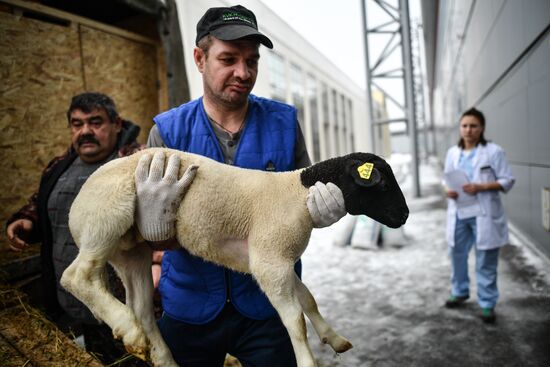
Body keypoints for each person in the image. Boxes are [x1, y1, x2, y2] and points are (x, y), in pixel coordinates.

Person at [134, 5, 347, 366]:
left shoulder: (284, 122)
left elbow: (305, 195)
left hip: (267, 304)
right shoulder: (168, 132)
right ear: (200, 59)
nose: (243, 72)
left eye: (252, 60)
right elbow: (146, 232)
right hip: (190, 303)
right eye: (228, 59)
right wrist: (151, 227)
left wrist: (320, 210)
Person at [5, 92, 147, 365]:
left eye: (95, 122)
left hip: (121, 303)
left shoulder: (134, 163)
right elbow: (40, 203)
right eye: (77, 124)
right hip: (70, 303)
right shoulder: (59, 166)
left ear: (117, 124)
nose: (85, 132)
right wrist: (27, 221)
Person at [443, 107, 515, 324]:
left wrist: (482, 187)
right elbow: (445, 178)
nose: (468, 130)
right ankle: (460, 291)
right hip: (459, 212)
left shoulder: (494, 151)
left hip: (484, 213)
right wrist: (448, 190)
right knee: (457, 254)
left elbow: (507, 180)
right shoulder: (452, 153)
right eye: (465, 125)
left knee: (485, 260)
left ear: (481, 128)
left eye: (473, 126)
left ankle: (487, 303)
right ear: (460, 128)